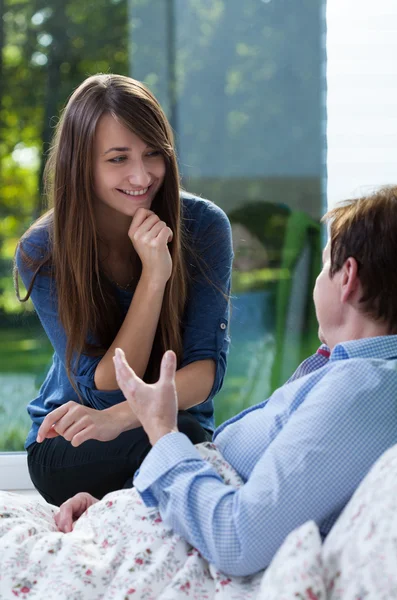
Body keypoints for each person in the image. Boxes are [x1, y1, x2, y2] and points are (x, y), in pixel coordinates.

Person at [55, 186, 397, 577]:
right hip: (144, 525)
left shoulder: (361, 392)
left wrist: (162, 430)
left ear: (348, 278)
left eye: (324, 266)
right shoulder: (355, 377)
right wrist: (121, 504)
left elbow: (237, 541)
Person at [14, 73, 233, 507]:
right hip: (75, 444)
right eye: (117, 158)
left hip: (169, 427)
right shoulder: (42, 250)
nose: (141, 174)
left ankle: (107, 512)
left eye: (153, 153)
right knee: (178, 444)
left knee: (184, 436)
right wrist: (154, 278)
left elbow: (205, 374)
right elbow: (104, 388)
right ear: (82, 163)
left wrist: (118, 419)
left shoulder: (205, 226)